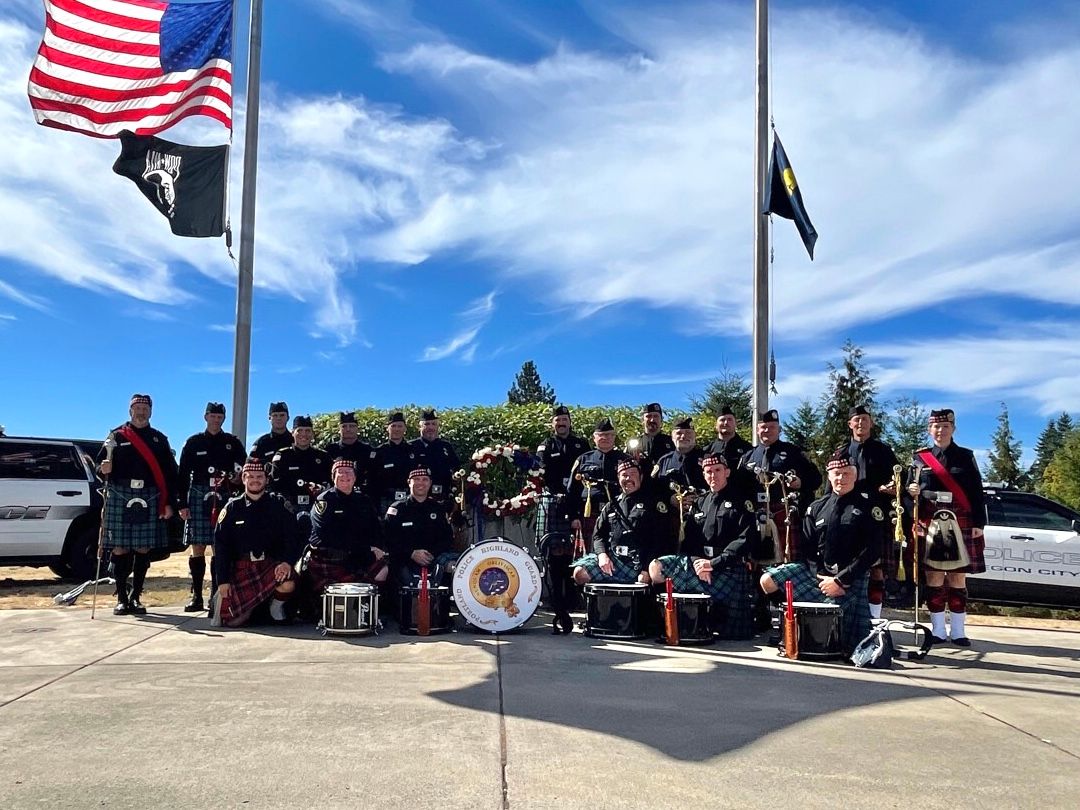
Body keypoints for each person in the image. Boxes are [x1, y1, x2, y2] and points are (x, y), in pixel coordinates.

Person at [760, 448, 885, 654]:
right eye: (837, 473)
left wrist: (841, 580)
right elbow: (807, 548)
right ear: (829, 475)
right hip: (818, 575)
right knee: (768, 580)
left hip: (850, 579)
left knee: (848, 643)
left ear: (855, 475)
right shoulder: (816, 507)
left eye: (846, 473)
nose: (841, 478)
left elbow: (873, 550)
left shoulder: (868, 507)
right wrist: (819, 575)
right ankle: (788, 624)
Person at [649, 453, 756, 638]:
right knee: (657, 568)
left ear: (727, 472)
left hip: (728, 569)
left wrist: (713, 563)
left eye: (717, 470)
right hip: (699, 564)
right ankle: (669, 623)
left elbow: (745, 540)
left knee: (734, 634)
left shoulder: (742, 502)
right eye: (708, 472)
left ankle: (701, 619)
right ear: (704, 475)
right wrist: (698, 562)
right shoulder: (700, 502)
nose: (713, 475)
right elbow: (690, 539)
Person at [908, 409, 986, 646]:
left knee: (957, 576)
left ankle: (959, 631)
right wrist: (911, 491)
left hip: (959, 519)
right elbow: (909, 489)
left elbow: (976, 491)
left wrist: (979, 523)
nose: (940, 431)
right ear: (929, 429)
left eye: (945, 426)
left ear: (953, 429)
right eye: (936, 427)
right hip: (929, 519)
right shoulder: (920, 458)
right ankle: (938, 630)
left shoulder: (965, 456)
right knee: (933, 575)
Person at [96, 394, 179, 616]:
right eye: (137, 408)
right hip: (120, 493)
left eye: (145, 408)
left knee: (143, 547)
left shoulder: (159, 439)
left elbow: (171, 473)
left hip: (149, 495)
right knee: (120, 547)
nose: (141, 412)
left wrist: (169, 503)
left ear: (150, 411)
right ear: (130, 410)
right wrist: (102, 469)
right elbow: (98, 467)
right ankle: (121, 598)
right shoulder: (116, 436)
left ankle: (136, 596)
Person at [214, 459, 301, 627]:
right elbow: (221, 546)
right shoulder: (232, 508)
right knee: (233, 622)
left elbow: (292, 537)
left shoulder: (279, 504)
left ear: (266, 479)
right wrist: (222, 581)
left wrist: (287, 562)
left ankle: (275, 608)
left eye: (260, 476)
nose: (255, 480)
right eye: (251, 476)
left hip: (271, 564)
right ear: (243, 479)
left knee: (288, 583)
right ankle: (255, 610)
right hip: (242, 567)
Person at [177, 402, 246, 613]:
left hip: (223, 494)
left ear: (223, 419)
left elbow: (243, 471)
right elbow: (182, 475)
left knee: (220, 546)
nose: (216, 420)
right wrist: (182, 504)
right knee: (197, 546)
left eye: (219, 417)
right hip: (198, 494)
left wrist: (236, 479)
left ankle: (216, 596)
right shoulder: (193, 442)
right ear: (205, 417)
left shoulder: (232, 442)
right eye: (212, 416)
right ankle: (196, 596)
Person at [535, 405, 591, 634]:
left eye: (564, 420)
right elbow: (540, 472)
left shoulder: (581, 445)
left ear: (570, 422)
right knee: (554, 558)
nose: (561, 424)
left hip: (577, 502)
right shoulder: (546, 445)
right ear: (553, 424)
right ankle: (558, 603)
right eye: (557, 421)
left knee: (575, 556)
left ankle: (572, 601)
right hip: (553, 504)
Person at [740, 409, 822, 562]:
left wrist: (800, 483)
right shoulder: (747, 457)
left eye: (772, 427)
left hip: (784, 513)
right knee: (756, 560)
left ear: (779, 430)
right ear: (757, 430)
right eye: (763, 427)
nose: (767, 430)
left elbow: (816, 479)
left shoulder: (793, 452)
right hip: (756, 514)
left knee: (788, 558)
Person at [845, 404, 903, 618]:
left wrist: (892, 488)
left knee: (877, 569)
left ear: (871, 423)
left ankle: (874, 618)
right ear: (850, 424)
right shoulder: (842, 452)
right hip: (849, 517)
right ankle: (851, 616)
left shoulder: (884, 451)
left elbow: (899, 480)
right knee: (849, 566)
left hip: (877, 515)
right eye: (857, 419)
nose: (861, 423)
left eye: (865, 419)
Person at [572, 459, 667, 586]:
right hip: (614, 560)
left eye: (632, 474)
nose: (628, 478)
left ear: (641, 477)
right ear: (618, 478)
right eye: (624, 475)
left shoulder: (653, 504)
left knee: (642, 581)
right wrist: (602, 555)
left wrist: (646, 569)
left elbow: (660, 540)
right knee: (580, 573)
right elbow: (598, 535)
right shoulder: (612, 505)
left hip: (640, 562)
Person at [303, 460, 388, 594]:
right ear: (333, 477)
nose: (345, 475)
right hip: (330, 555)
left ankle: (367, 604)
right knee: (343, 588)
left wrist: (377, 549)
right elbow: (327, 535)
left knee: (382, 571)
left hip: (358, 554)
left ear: (355, 477)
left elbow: (376, 529)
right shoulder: (324, 500)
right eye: (340, 472)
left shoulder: (364, 500)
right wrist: (366, 549)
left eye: (349, 472)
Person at [384, 467, 457, 587]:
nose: (421, 483)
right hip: (404, 560)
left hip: (434, 558)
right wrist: (411, 553)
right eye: (416, 479)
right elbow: (389, 538)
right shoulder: (397, 509)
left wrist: (432, 554)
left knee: (456, 568)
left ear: (430, 483)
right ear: (409, 482)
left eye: (424, 479)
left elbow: (447, 538)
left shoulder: (438, 509)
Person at [565, 417, 629, 544]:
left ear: (614, 437)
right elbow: (572, 490)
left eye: (609, 435)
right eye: (601, 435)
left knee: (618, 547)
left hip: (618, 512)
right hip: (589, 514)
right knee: (588, 551)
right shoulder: (583, 459)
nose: (605, 438)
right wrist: (573, 517)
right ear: (594, 438)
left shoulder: (625, 460)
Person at [652, 417, 707, 555]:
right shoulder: (663, 462)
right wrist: (670, 499)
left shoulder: (707, 459)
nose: (683, 436)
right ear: (672, 436)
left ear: (695, 436)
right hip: (670, 522)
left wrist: (699, 499)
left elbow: (717, 486)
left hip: (701, 520)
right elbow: (654, 491)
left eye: (688, 433)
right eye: (679, 433)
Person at [268, 415, 331, 513]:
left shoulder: (323, 456)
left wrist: (322, 489)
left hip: (318, 508)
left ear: (312, 434)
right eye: (300, 430)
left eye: (307, 431)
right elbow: (273, 484)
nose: (304, 434)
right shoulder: (283, 456)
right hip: (288, 508)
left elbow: (332, 483)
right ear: (292, 433)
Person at [409, 409, 461, 503]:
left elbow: (456, 468)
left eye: (434, 424)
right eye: (427, 424)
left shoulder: (446, 447)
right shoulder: (411, 446)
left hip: (443, 497)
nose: (430, 427)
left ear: (438, 427)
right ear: (419, 427)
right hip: (418, 499)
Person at [373, 411, 417, 514]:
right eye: (393, 426)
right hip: (385, 498)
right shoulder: (379, 452)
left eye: (400, 426)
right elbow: (373, 480)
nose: (397, 429)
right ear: (387, 428)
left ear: (405, 428)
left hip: (410, 497)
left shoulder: (414, 450)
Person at [706, 404, 754, 499]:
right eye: (722, 420)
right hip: (714, 499)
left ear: (735, 424)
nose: (726, 422)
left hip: (740, 498)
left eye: (730, 419)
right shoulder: (707, 450)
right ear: (716, 425)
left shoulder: (748, 449)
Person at [326, 411, 377, 496]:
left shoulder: (368, 450)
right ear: (339, 429)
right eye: (344, 426)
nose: (348, 429)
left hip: (363, 496)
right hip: (336, 496)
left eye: (352, 426)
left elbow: (374, 475)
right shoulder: (330, 450)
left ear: (357, 429)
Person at [630, 403, 674, 471]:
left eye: (656, 416)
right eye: (648, 416)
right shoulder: (634, 444)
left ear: (661, 420)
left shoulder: (672, 442)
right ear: (642, 420)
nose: (652, 420)